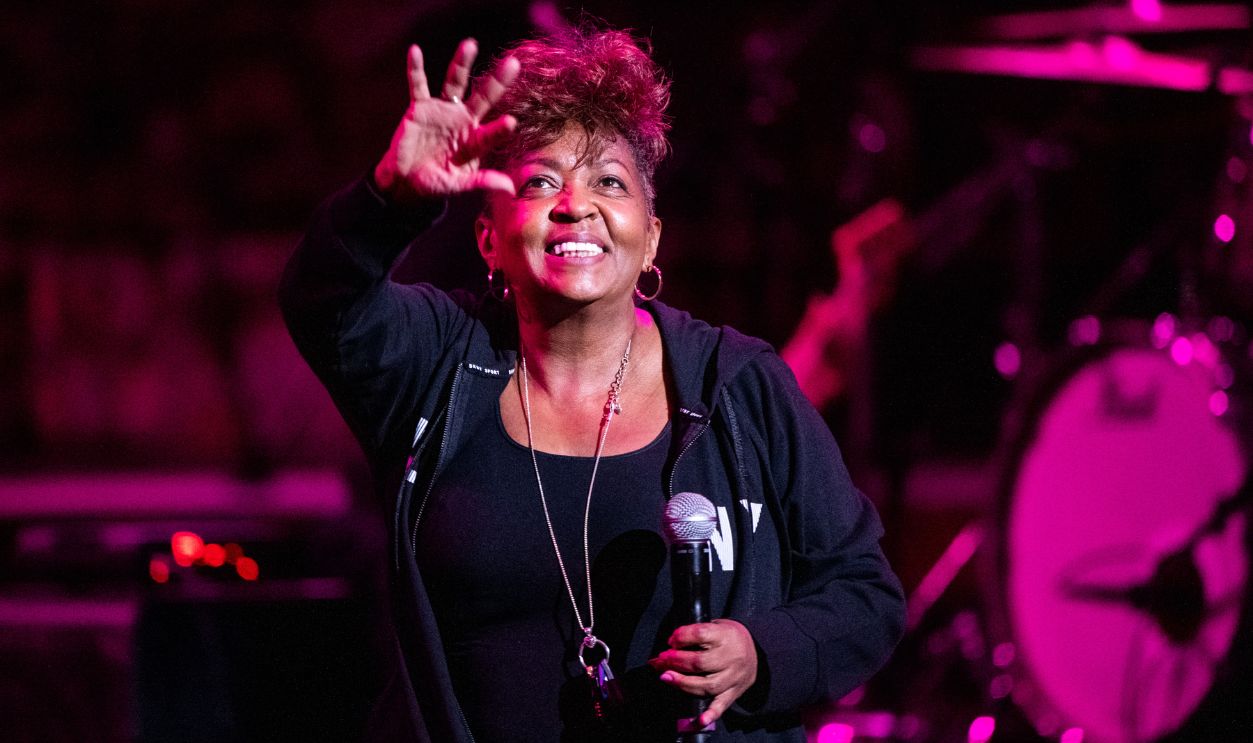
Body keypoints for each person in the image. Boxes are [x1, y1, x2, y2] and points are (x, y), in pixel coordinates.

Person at [280, 23, 904, 743]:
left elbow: (865, 594)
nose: (575, 204)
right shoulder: (436, 358)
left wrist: (763, 652)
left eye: (608, 181)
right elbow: (322, 302)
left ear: (651, 239)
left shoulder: (738, 383)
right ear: (489, 239)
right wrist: (389, 199)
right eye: (541, 181)